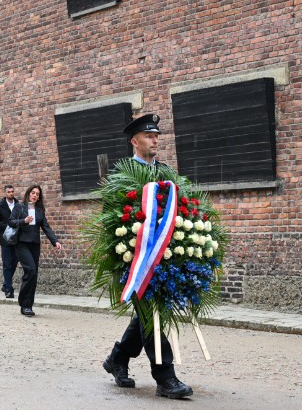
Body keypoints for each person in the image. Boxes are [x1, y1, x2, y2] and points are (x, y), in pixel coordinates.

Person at [102, 114, 194, 399]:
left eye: (156, 135)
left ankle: (117, 358)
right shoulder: (123, 173)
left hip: (165, 255)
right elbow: (113, 217)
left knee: (149, 312)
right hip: (136, 257)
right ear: (134, 141)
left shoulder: (166, 171)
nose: (155, 139)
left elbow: (184, 205)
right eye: (148, 135)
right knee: (148, 314)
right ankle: (165, 377)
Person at [8, 184, 63, 316]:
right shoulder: (19, 206)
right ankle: (23, 302)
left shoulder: (39, 210)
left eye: (37, 194)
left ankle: (28, 305)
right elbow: (11, 222)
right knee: (31, 269)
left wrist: (55, 241)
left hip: (34, 245)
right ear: (28, 193)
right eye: (33, 193)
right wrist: (23, 220)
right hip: (21, 244)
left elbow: (46, 227)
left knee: (33, 274)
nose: (35, 195)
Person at [0, 184, 20, 298]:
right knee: (7, 264)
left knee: (15, 262)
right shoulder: (0, 206)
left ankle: (5, 284)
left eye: (12, 191)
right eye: (9, 192)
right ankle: (9, 289)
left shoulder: (18, 205)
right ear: (5, 193)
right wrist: (8, 225)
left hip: (17, 239)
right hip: (5, 239)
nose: (11, 193)